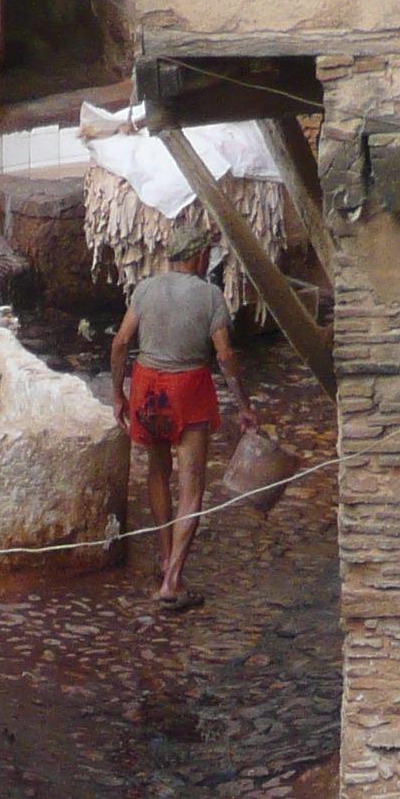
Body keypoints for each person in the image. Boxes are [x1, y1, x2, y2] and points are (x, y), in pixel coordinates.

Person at [109, 223, 252, 612]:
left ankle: (164, 554)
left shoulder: (144, 290)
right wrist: (243, 405)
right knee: (192, 487)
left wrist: (118, 394)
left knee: (158, 472)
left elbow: (121, 343)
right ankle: (173, 580)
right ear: (201, 256)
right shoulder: (211, 296)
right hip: (189, 388)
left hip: (147, 387)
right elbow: (223, 356)